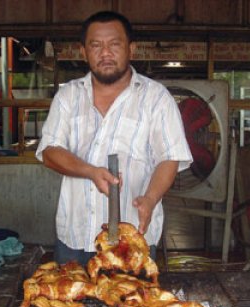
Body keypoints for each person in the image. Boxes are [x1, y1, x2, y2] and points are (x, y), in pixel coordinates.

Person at [36, 11, 192, 266]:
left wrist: (151, 199)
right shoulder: (68, 97)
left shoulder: (156, 98)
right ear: (83, 51)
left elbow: (170, 157)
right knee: (68, 301)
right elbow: (50, 152)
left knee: (134, 303)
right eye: (95, 45)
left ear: (131, 48)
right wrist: (90, 171)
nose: (105, 53)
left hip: (133, 237)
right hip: (75, 236)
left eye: (114, 44)